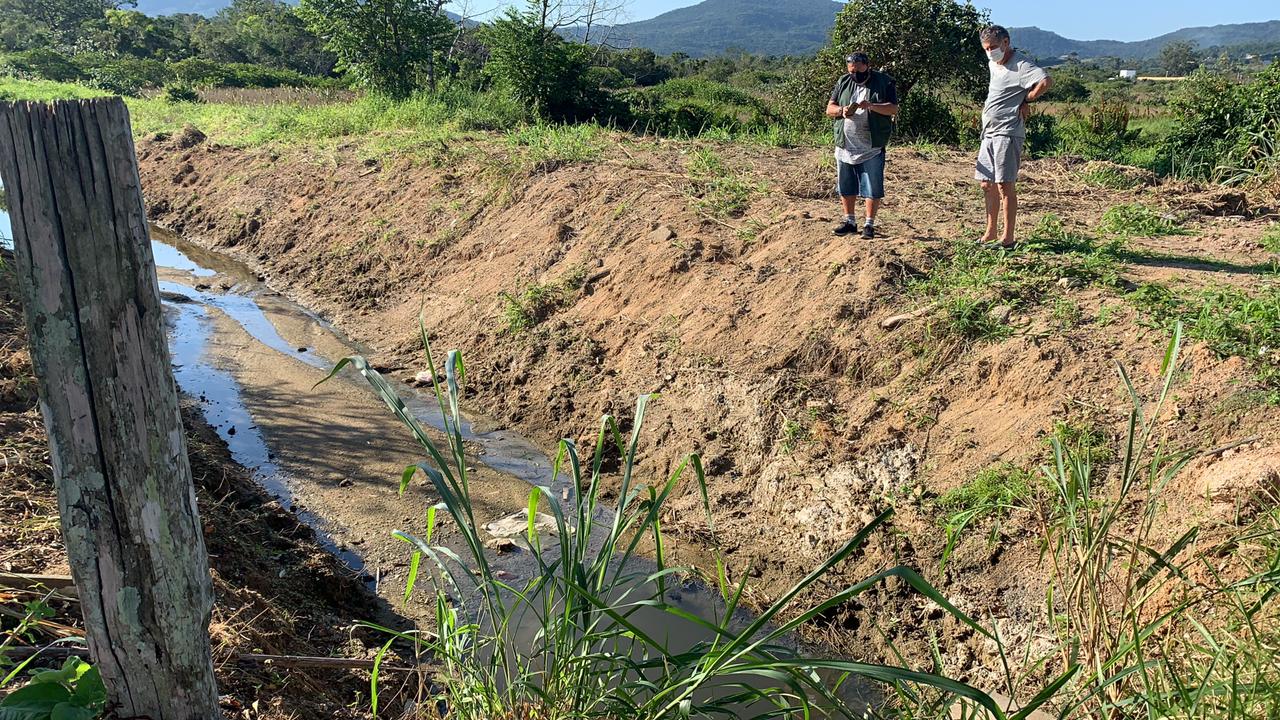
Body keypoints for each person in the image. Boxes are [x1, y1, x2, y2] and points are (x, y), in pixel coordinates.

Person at [975, 25, 1052, 249]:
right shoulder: (993, 63)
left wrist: (1027, 100)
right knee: (986, 184)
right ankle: (990, 233)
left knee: (1004, 185)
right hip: (989, 131)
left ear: (1006, 42)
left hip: (1007, 132)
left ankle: (1007, 238)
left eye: (994, 47)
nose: (990, 52)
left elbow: (1045, 81)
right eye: (986, 48)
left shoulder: (1021, 64)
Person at [826, 52, 899, 240]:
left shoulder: (884, 82)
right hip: (845, 145)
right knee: (846, 185)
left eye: (858, 70)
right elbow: (829, 108)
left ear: (867, 66)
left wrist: (871, 106)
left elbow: (893, 108)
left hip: (871, 145)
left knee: (872, 186)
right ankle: (850, 221)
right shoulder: (843, 82)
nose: (855, 74)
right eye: (851, 71)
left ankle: (869, 224)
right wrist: (842, 111)